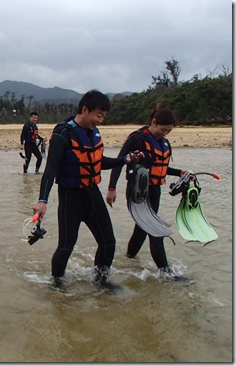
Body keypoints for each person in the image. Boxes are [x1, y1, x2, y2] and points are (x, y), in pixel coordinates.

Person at [31, 90, 142, 286]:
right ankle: (57, 285)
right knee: (66, 246)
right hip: (70, 197)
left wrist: (124, 160)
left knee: (108, 242)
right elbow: (51, 169)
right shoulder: (62, 133)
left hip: (92, 194)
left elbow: (98, 161)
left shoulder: (93, 133)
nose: (100, 120)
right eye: (99, 115)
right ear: (84, 109)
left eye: (104, 116)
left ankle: (101, 281)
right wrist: (42, 201)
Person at [106, 106, 191, 280]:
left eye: (168, 131)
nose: (165, 133)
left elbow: (160, 167)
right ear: (154, 122)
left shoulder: (163, 143)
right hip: (138, 193)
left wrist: (179, 172)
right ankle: (167, 274)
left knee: (142, 229)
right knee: (155, 229)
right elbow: (119, 162)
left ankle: (128, 259)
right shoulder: (137, 139)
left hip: (154, 192)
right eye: (162, 129)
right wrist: (112, 189)